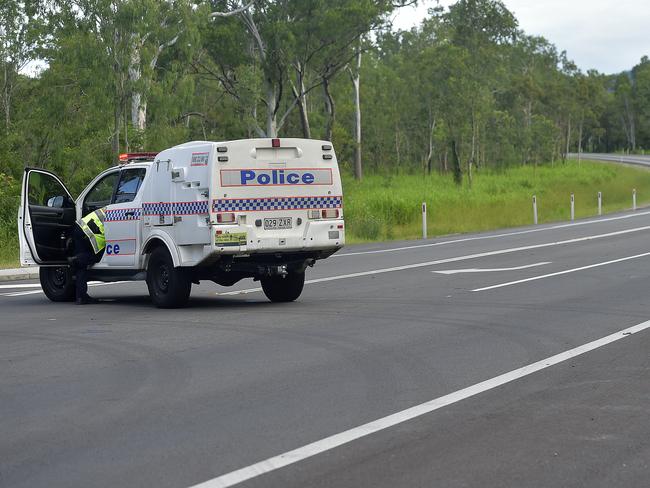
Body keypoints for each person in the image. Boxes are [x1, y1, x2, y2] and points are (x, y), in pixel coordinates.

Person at [70, 207, 106, 304]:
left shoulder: (104, 209)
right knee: (97, 257)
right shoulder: (117, 211)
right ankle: (78, 259)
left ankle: (81, 297)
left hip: (79, 228)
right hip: (88, 234)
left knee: (81, 267)